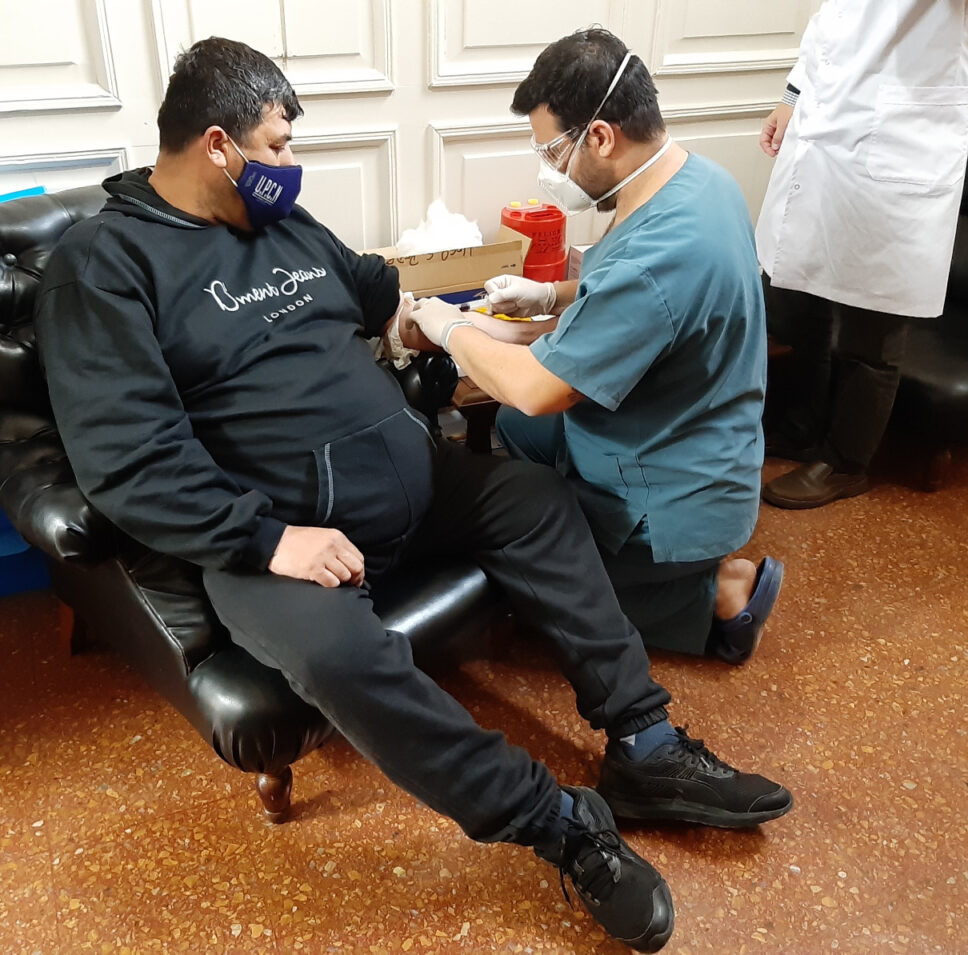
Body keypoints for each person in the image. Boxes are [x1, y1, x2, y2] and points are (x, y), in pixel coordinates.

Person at [33, 37, 793, 953]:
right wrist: (272, 541)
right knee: (341, 656)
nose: (289, 165)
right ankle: (558, 824)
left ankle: (645, 742)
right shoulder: (104, 265)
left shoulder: (279, 223)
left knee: (536, 500)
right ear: (217, 144)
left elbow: (379, 295)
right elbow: (127, 460)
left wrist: (455, 322)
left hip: (412, 481)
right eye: (277, 145)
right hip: (279, 533)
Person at [409, 28, 783, 664]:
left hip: (671, 498)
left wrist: (450, 328)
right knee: (515, 430)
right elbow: (641, 303)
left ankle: (717, 592)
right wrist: (549, 295)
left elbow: (536, 388)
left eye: (554, 150)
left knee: (510, 584)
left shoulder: (660, 253)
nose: (550, 169)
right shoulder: (697, 182)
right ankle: (580, 526)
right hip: (696, 431)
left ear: (602, 136)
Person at [756, 0, 968, 509]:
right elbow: (833, 24)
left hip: (897, 154)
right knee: (798, 301)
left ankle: (846, 462)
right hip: (822, 141)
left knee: (872, 327)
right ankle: (803, 426)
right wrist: (792, 96)